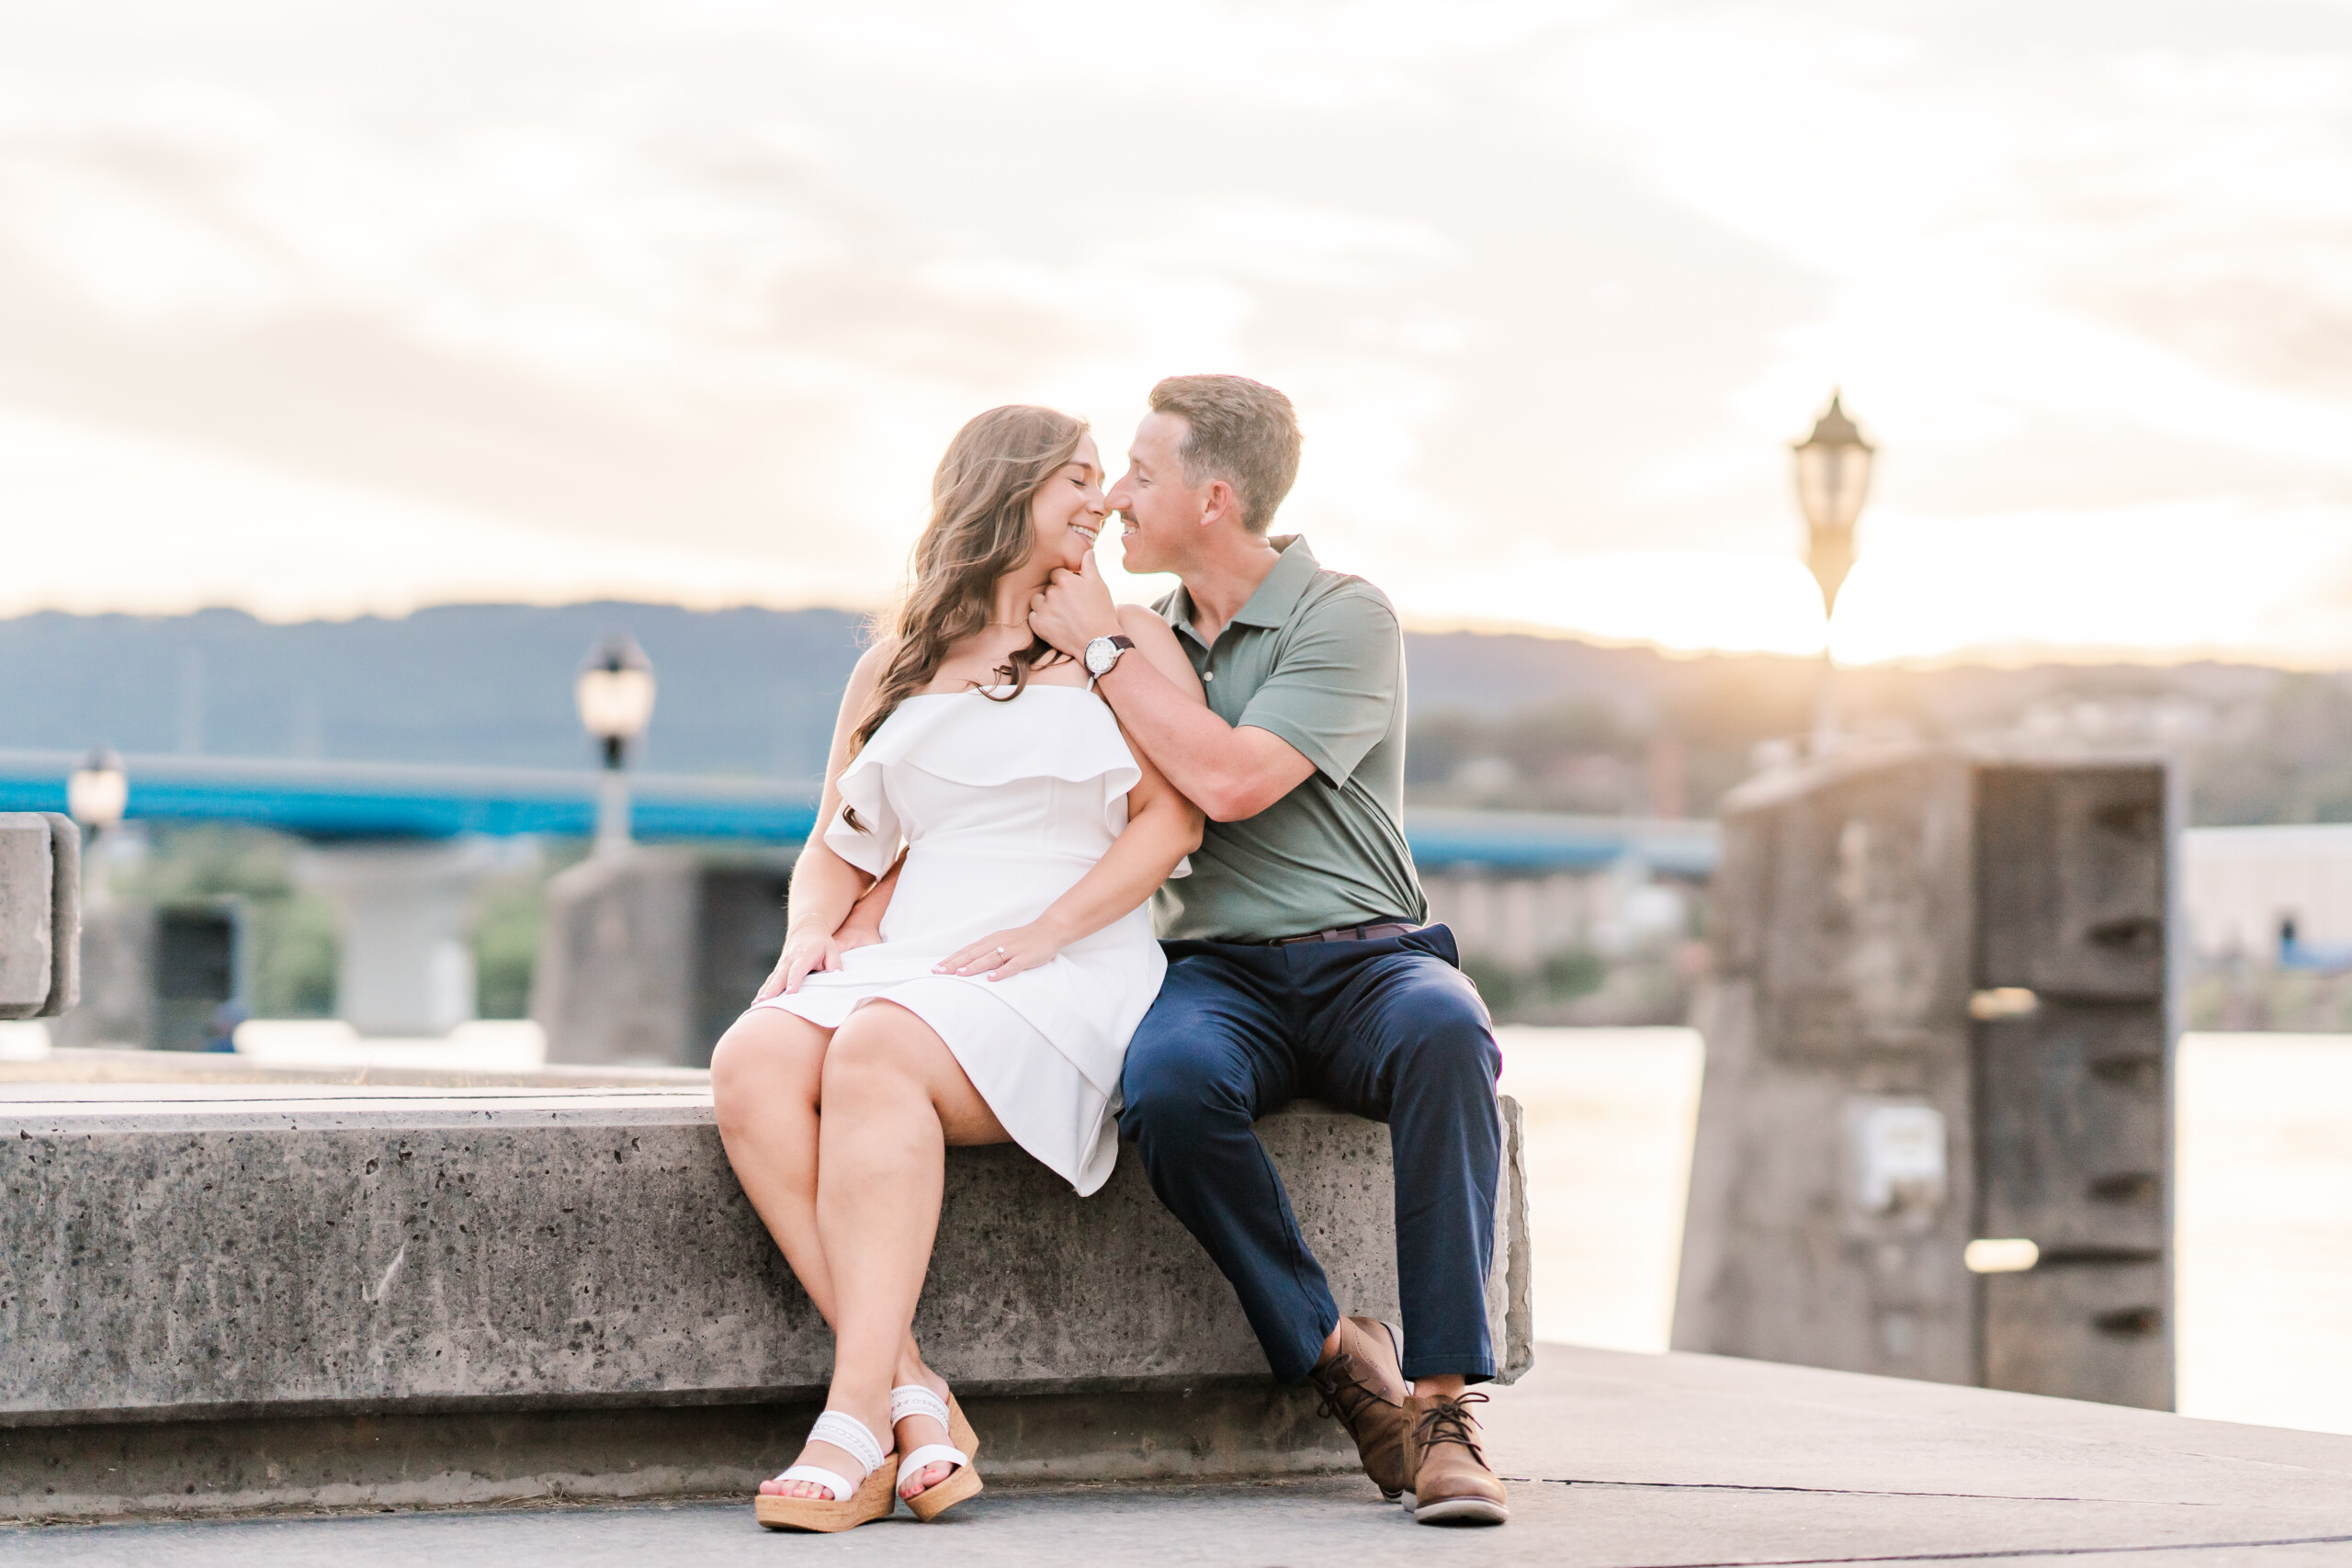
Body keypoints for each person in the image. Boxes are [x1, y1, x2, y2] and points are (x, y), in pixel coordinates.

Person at [707, 404, 1204, 1532]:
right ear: (1004, 491)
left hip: (1066, 955)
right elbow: (835, 845)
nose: (1105, 499)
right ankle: (914, 1397)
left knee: (879, 1047)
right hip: (920, 950)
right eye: (1079, 477)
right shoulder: (897, 662)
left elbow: (1169, 825)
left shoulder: (1127, 636)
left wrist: (1047, 931)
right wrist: (804, 937)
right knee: (751, 1058)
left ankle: (847, 1423)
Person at [1029, 374, 1510, 1526]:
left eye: (1141, 477)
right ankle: (1344, 1355)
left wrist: (1103, 655)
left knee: (1450, 1032)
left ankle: (1442, 1407)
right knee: (1164, 1088)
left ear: (1213, 496)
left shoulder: (1343, 614)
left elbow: (1234, 780)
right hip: (1216, 975)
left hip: (1369, 964)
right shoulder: (1143, 632)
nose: (1118, 500)